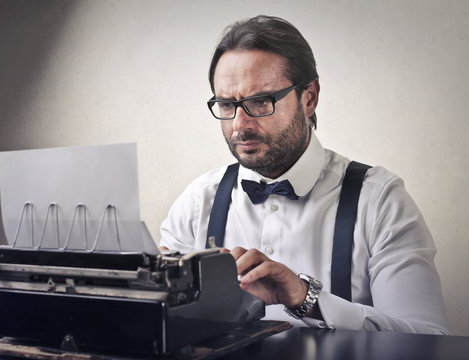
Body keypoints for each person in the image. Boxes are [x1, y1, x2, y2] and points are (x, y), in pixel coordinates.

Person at [159, 15, 450, 334]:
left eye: (260, 101)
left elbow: (428, 339)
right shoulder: (197, 201)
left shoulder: (380, 200)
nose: (240, 125)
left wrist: (306, 298)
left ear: (309, 97)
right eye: (227, 105)